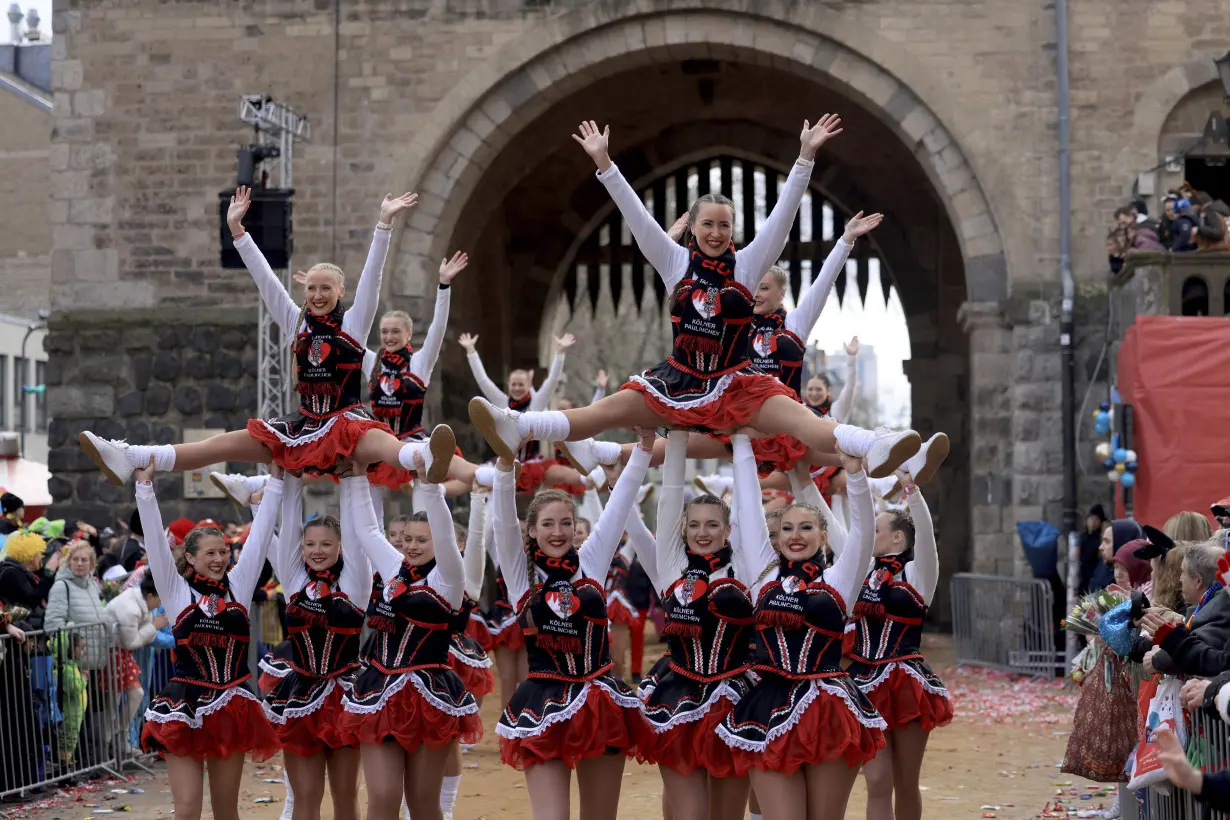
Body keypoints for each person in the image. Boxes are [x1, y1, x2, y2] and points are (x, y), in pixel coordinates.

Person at [468, 119, 925, 488]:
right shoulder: (674, 261)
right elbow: (637, 217)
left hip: (736, 384)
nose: (716, 233)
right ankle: (517, 426)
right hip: (677, 382)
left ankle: (878, 444)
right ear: (693, 228)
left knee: (807, 424)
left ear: (733, 230)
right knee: (598, 414)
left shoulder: (747, 267)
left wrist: (805, 158)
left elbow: (782, 221)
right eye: (708, 224)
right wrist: (605, 164)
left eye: (724, 225)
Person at [79, 187, 460, 488]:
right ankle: (129, 456)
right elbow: (267, 282)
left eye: (326, 288)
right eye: (311, 288)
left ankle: (425, 455)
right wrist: (237, 233)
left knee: (384, 445)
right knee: (218, 445)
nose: (317, 295)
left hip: (345, 421)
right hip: (302, 424)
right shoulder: (295, 321)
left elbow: (374, 279)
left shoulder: (353, 325)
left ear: (340, 292)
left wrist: (383, 226)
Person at [488, 430, 654, 819]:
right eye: (548, 524)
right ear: (532, 530)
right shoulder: (519, 573)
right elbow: (501, 521)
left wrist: (644, 448)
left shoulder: (591, 561)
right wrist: (503, 466)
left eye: (566, 522)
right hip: (541, 704)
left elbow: (618, 508)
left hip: (600, 701)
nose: (558, 531)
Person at [717, 438, 885, 820]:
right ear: (775, 538)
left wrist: (855, 475)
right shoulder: (763, 575)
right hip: (767, 704)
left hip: (828, 708)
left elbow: (861, 535)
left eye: (806, 528)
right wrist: (742, 443)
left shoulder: (840, 579)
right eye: (787, 528)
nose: (795, 535)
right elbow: (745, 511)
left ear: (823, 537)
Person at [132, 459, 281, 820]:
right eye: (210, 553)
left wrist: (271, 488)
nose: (219, 559)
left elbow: (259, 540)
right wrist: (144, 488)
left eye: (224, 552)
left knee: (226, 809)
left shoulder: (239, 585)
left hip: (231, 703)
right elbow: (154, 541)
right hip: (184, 705)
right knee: (187, 808)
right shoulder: (176, 591)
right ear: (191, 558)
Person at [336, 464, 481, 820]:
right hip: (379, 691)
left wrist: (429, 484)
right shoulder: (392, 569)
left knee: (423, 803)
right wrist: (355, 476)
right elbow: (368, 529)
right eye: (409, 539)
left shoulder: (448, 577)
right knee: (382, 797)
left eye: (422, 539)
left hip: (430, 694)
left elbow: (446, 538)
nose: (412, 546)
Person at [640, 430, 755, 820]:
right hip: (677, 697)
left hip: (736, 699)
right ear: (683, 530)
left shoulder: (745, 568)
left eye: (712, 525)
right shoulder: (672, 567)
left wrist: (742, 441)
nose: (702, 533)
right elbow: (671, 493)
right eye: (694, 525)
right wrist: (674, 437)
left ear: (728, 530)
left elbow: (750, 507)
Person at [264, 473, 370, 820]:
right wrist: (290, 473)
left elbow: (359, 534)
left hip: (346, 696)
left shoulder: (355, 581)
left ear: (340, 546)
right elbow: (290, 519)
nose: (317, 551)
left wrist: (355, 475)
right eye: (310, 544)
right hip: (298, 694)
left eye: (326, 544)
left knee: (345, 797)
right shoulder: (294, 580)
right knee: (305, 797)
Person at [849, 474, 952, 820]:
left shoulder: (918, 573)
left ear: (896, 537)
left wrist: (912, 489)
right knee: (877, 782)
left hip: (906, 684)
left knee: (906, 782)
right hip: (863, 683)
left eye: (877, 530)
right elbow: (845, 524)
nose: (868, 535)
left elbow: (926, 538)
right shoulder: (862, 571)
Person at [103, 570, 166, 755]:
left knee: (136, 694)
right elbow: (132, 642)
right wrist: (154, 626)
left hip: (119, 654)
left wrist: (150, 628)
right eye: (159, 599)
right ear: (150, 595)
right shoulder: (130, 608)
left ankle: (120, 740)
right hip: (110, 655)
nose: (160, 604)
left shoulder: (141, 603)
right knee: (111, 705)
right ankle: (108, 750)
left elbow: (140, 636)